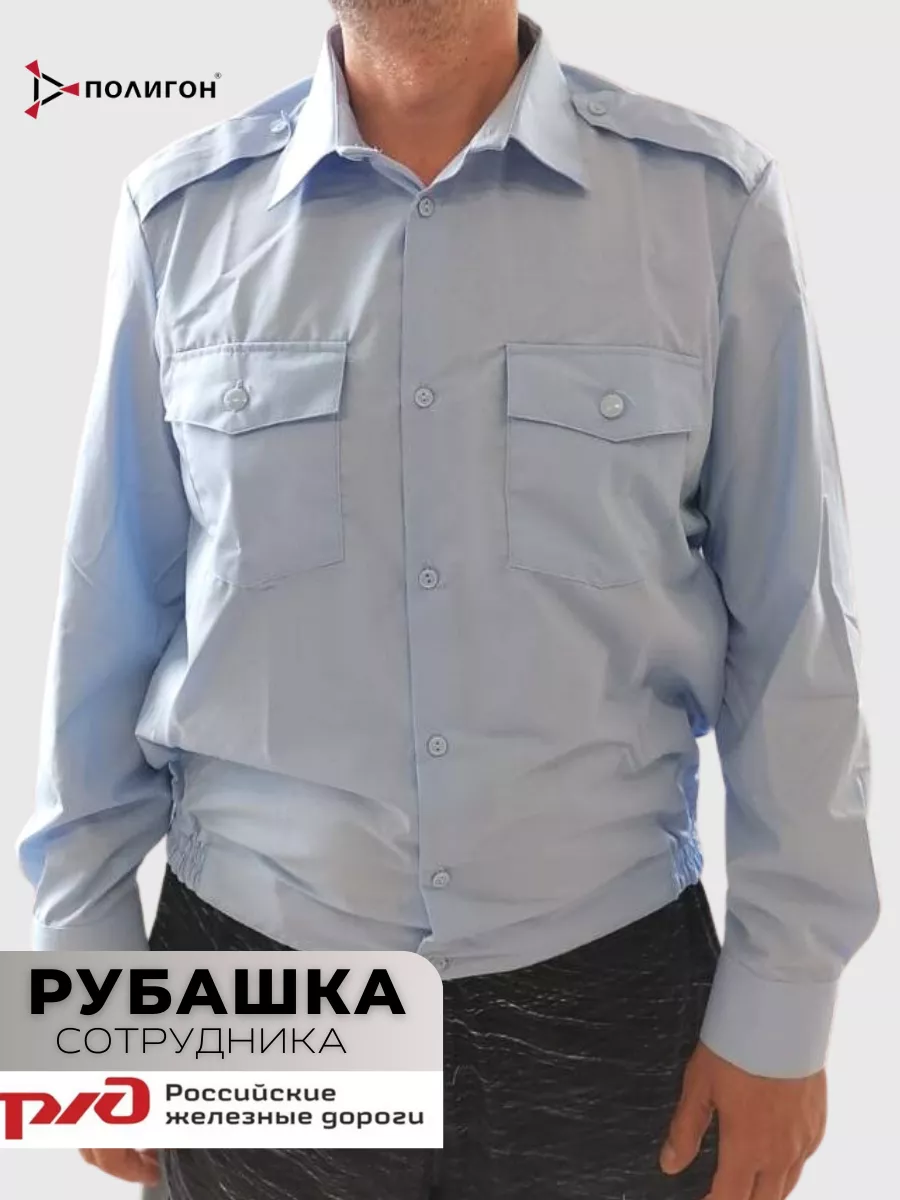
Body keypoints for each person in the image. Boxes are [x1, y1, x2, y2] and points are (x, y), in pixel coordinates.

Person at [18, 2, 879, 1198]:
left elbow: (798, 628)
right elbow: (101, 617)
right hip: (258, 978)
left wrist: (787, 1004)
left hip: (611, 979)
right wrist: (87, 986)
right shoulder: (179, 219)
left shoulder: (708, 207)